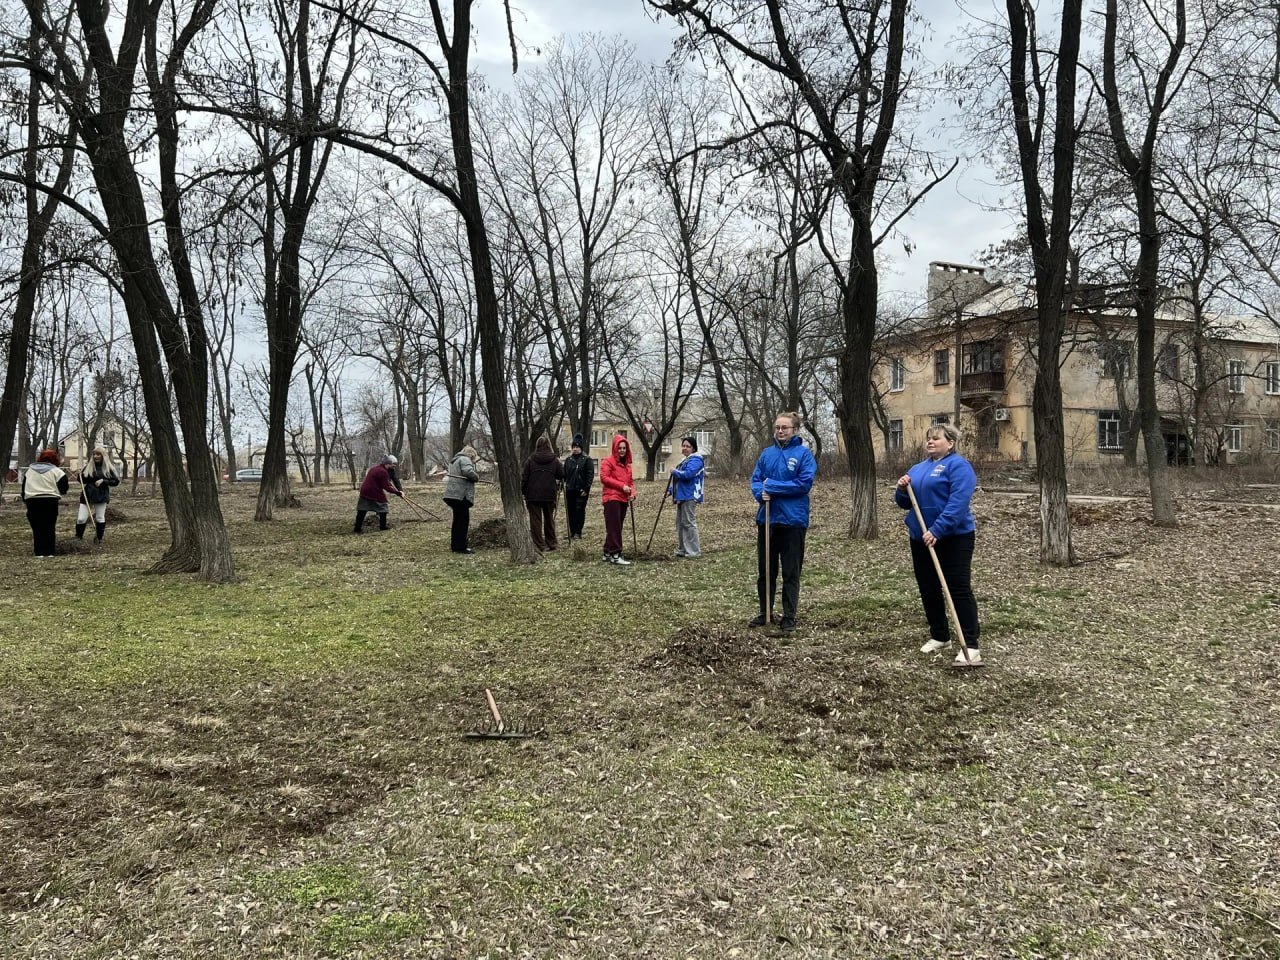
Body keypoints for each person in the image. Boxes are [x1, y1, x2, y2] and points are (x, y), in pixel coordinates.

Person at [894, 423, 982, 667]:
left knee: (957, 588)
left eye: (936, 438)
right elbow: (904, 502)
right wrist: (901, 489)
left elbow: (958, 502)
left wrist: (938, 529)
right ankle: (940, 636)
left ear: (950, 443)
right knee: (928, 587)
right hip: (920, 537)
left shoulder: (959, 466)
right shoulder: (918, 468)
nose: (930, 442)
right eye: (928, 438)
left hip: (954, 537)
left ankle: (970, 644)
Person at [750, 412, 817, 633]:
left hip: (792, 521)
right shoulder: (766, 454)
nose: (780, 431)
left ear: (794, 430)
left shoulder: (803, 454)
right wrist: (760, 493)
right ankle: (765, 612)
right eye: (778, 427)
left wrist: (772, 487)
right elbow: (756, 480)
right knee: (766, 570)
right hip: (768, 519)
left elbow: (803, 484)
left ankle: (789, 616)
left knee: (790, 571)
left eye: (785, 428)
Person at [21, 449, 70, 557]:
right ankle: (49, 552)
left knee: (37, 528)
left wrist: (25, 499)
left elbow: (24, 488)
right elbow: (64, 488)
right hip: (50, 501)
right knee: (49, 527)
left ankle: (39, 552)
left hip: (33, 501)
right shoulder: (57, 471)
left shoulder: (30, 471)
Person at [521, 436, 564, 552]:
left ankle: (539, 545)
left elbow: (524, 477)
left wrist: (523, 491)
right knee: (549, 518)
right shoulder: (554, 460)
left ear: (537, 446)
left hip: (533, 494)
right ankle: (552, 543)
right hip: (549, 493)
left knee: (536, 520)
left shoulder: (530, 460)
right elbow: (561, 474)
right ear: (549, 445)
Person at [599, 433, 635, 565]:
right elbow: (604, 478)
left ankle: (607, 551)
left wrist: (632, 493)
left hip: (623, 499)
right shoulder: (608, 462)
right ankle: (616, 553)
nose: (622, 450)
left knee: (616, 527)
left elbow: (630, 482)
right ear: (615, 448)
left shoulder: (627, 466)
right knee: (614, 526)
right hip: (611, 498)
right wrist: (621, 486)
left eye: (624, 448)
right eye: (619, 448)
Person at [668, 436, 705, 558]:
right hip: (681, 495)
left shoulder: (696, 460)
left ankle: (693, 551)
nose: (684, 448)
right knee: (680, 523)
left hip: (690, 494)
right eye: (683, 446)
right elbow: (678, 480)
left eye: (687, 446)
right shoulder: (685, 460)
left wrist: (674, 471)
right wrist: (671, 490)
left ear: (693, 448)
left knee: (688, 522)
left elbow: (688, 475)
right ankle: (683, 549)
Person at [76, 447, 120, 544]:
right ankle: (78, 538)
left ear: (103, 455)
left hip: (101, 495)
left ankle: (98, 538)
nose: (95, 456)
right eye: (94, 454)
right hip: (87, 495)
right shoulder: (88, 466)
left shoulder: (109, 468)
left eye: (98, 454)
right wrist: (79, 475)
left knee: (100, 518)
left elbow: (116, 481)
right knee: (81, 519)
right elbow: (82, 480)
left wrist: (104, 481)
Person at [443, 445, 480, 553]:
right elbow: (468, 471)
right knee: (463, 522)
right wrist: (476, 477)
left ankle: (455, 546)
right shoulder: (465, 459)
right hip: (460, 495)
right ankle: (461, 547)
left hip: (452, 495)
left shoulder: (455, 460)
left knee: (457, 521)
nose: (473, 461)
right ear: (471, 455)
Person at [353, 454, 404, 533]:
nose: (394, 466)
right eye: (393, 464)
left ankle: (357, 528)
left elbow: (394, 480)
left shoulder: (375, 468)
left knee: (362, 509)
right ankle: (383, 526)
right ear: (388, 463)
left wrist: (400, 491)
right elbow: (387, 486)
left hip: (364, 490)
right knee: (383, 506)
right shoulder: (383, 472)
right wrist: (397, 493)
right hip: (373, 490)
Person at [562, 434, 594, 541]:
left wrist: (586, 489)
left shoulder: (587, 459)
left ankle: (578, 532)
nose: (575, 449)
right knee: (570, 511)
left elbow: (590, 476)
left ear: (581, 448)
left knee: (579, 511)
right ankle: (572, 532)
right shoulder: (568, 460)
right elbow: (565, 474)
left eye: (577, 447)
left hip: (581, 490)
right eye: (574, 447)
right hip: (570, 489)